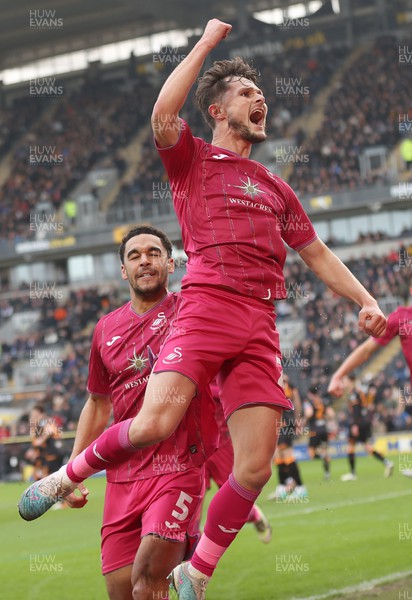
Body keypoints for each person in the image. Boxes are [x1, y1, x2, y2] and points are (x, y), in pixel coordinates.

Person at [19, 19, 386, 600]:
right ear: (216, 111)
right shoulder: (190, 161)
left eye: (260, 92)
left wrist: (367, 299)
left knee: (256, 468)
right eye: (245, 92)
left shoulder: (275, 186)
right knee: (152, 424)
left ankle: (197, 572)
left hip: (260, 324)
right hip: (206, 308)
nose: (258, 98)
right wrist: (209, 43)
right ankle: (65, 477)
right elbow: (163, 113)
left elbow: (314, 252)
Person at [23, 225, 219, 600]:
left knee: (147, 582)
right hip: (122, 476)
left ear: (170, 263)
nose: (144, 260)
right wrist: (73, 471)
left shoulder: (191, 313)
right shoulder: (105, 330)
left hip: (177, 468)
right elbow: (98, 403)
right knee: (122, 594)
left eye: (153, 253)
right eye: (134, 255)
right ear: (123, 271)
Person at [328, 304, 411, 477]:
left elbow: (360, 408)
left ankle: (355, 472)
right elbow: (366, 350)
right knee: (359, 446)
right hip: (359, 423)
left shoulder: (356, 393)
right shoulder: (402, 317)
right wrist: (339, 374)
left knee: (359, 445)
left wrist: (357, 424)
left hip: (360, 423)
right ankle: (356, 471)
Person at [202, 380, 272, 542]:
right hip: (195, 447)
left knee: (234, 500)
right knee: (190, 506)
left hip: (222, 445)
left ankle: (254, 514)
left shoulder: (223, 372)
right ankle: (190, 563)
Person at [336, 376, 394, 481]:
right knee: (367, 447)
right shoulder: (359, 391)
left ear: (351, 381)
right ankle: (387, 462)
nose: (343, 384)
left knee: (351, 446)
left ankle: (353, 473)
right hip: (363, 422)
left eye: (344, 381)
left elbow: (356, 409)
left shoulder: (353, 393)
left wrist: (354, 425)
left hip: (358, 423)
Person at [267, 374, 308, 501]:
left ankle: (301, 488)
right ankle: (283, 487)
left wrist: (297, 420)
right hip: (276, 422)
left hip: (286, 421)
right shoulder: (272, 380)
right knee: (278, 456)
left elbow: (296, 401)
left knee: (286, 454)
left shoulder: (287, 382)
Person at [304, 386, 335, 480]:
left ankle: (321, 456)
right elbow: (332, 415)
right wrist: (324, 417)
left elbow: (308, 413)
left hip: (314, 430)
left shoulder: (309, 402)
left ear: (310, 393)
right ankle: (327, 473)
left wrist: (304, 420)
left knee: (311, 454)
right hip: (324, 430)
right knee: (325, 451)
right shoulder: (324, 402)